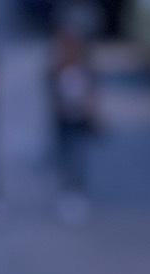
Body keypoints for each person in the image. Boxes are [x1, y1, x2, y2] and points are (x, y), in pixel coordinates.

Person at [47, 21, 97, 222]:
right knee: (66, 159)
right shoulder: (57, 71)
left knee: (80, 159)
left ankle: (78, 194)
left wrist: (93, 114)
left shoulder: (85, 70)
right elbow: (53, 97)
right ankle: (67, 193)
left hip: (80, 121)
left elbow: (92, 95)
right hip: (63, 122)